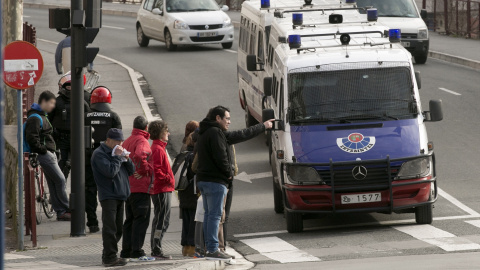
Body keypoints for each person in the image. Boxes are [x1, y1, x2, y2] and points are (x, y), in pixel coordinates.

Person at [196, 106, 273, 260]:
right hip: (215, 181)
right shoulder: (215, 133)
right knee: (215, 216)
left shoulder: (206, 131)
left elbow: (240, 135)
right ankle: (212, 249)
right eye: (227, 118)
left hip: (205, 180)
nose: (229, 122)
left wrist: (262, 126)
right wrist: (229, 174)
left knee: (210, 215)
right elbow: (221, 157)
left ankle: (210, 248)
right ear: (218, 118)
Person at [25, 91, 71, 221]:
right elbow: (32, 138)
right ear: (43, 102)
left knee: (53, 182)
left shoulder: (41, 115)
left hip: (48, 152)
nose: (53, 106)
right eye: (51, 103)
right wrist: (44, 150)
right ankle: (65, 208)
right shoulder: (35, 117)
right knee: (60, 179)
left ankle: (60, 211)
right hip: (45, 154)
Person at [91, 128, 134, 267]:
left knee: (118, 228)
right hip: (108, 195)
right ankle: (110, 257)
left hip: (121, 194)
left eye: (121, 140)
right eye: (117, 140)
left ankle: (108, 254)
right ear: (108, 140)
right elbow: (110, 172)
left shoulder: (118, 152)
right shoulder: (99, 154)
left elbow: (131, 171)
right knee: (110, 228)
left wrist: (126, 159)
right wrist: (116, 157)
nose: (120, 143)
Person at [84, 86, 122, 233]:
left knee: (90, 190)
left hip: (89, 159)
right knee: (109, 192)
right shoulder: (113, 116)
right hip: (109, 160)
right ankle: (111, 223)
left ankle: (92, 222)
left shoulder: (85, 116)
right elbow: (119, 141)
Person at [120, 116, 155, 262]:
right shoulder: (142, 141)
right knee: (141, 219)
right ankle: (137, 251)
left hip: (129, 186)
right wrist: (144, 170)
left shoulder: (127, 140)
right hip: (140, 187)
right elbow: (141, 155)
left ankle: (126, 250)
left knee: (130, 219)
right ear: (146, 127)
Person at [49, 72, 90, 179]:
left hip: (76, 139)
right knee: (63, 165)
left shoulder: (82, 103)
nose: (70, 89)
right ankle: (62, 189)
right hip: (61, 138)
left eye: (72, 86)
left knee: (76, 165)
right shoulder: (57, 102)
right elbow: (48, 120)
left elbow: (88, 121)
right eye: (68, 86)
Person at [149, 120, 175, 260]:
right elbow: (158, 171)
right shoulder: (158, 149)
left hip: (163, 188)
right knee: (161, 220)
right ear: (160, 133)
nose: (168, 133)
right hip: (162, 189)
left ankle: (156, 247)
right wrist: (169, 179)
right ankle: (156, 248)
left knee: (162, 219)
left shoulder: (159, 147)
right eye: (166, 131)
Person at [178, 132, 198, 257]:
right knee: (193, 221)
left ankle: (185, 247)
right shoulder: (193, 156)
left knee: (186, 220)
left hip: (182, 191)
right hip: (193, 192)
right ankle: (192, 248)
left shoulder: (182, 155)